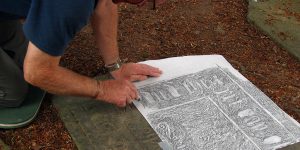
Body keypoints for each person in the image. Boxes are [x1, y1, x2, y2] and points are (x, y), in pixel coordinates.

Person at [0, 0, 165, 108]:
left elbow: (105, 4)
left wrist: (116, 66)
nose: (144, 6)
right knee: (14, 93)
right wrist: (102, 90)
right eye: (150, 2)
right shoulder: (71, 5)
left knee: (23, 60)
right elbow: (36, 72)